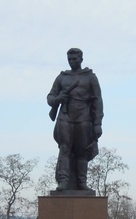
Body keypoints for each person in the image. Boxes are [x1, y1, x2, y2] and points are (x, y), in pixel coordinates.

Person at [47, 48, 103, 191]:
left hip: (83, 119)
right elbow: (50, 97)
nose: (72, 62)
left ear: (81, 59)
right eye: (70, 59)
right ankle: (63, 182)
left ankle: (81, 183)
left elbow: (98, 101)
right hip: (65, 118)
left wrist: (97, 123)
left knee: (81, 152)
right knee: (64, 149)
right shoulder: (62, 77)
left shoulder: (90, 77)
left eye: (75, 59)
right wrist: (57, 99)